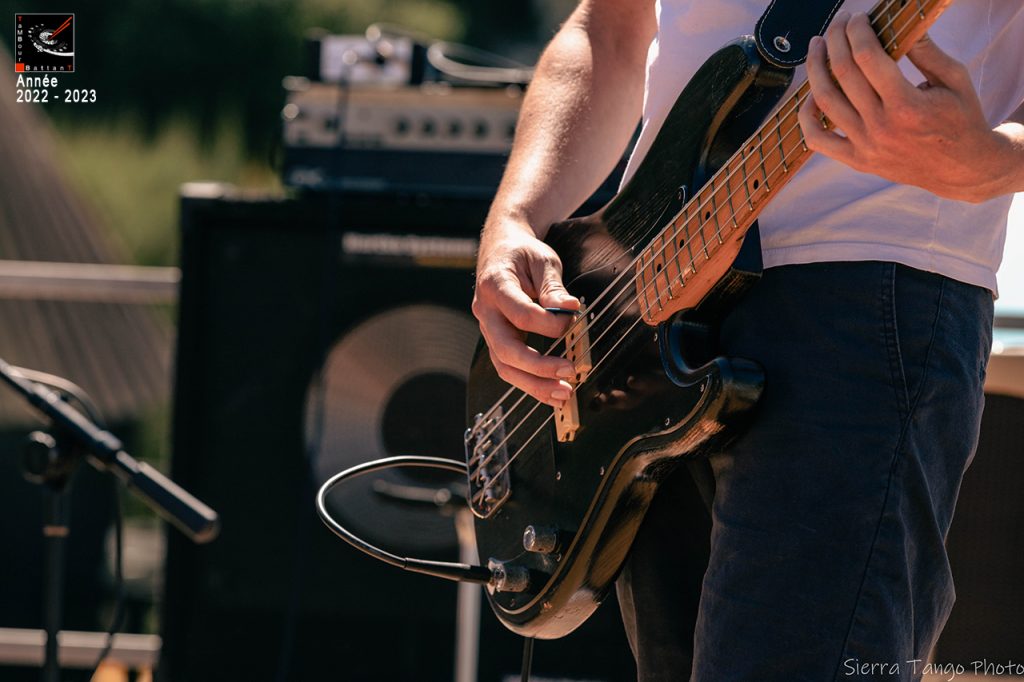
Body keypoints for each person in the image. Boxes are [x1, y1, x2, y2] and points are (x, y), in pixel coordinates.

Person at [471, 0, 1024, 680]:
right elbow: (608, 30)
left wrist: (996, 161)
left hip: (869, 295)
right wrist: (515, 219)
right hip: (645, 299)